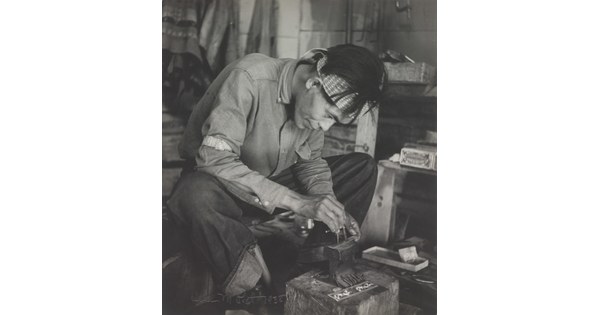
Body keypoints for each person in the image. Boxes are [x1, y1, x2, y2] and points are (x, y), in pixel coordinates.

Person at [166, 44, 387, 297]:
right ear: (314, 83)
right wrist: (297, 202)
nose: (325, 127)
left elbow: (310, 161)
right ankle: (253, 289)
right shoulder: (249, 77)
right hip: (221, 185)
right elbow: (214, 159)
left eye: (334, 121)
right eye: (328, 115)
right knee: (195, 194)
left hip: (269, 185)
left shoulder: (311, 108)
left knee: (362, 167)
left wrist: (328, 202)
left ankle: (311, 271)